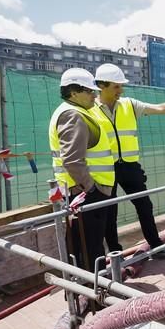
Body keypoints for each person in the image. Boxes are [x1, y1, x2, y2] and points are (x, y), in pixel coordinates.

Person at [91, 63, 165, 259]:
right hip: (104, 169)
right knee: (110, 212)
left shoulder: (129, 104)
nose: (121, 90)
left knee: (144, 205)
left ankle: (156, 246)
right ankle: (116, 255)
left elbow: (160, 108)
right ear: (102, 85)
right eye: (116, 86)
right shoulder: (89, 110)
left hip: (130, 166)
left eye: (121, 85)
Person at [48, 68, 115, 272]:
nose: (94, 95)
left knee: (87, 245)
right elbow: (72, 160)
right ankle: (95, 294)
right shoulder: (73, 115)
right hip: (86, 193)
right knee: (90, 248)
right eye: (89, 91)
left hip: (82, 191)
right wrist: (92, 189)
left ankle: (93, 289)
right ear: (73, 92)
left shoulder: (75, 111)